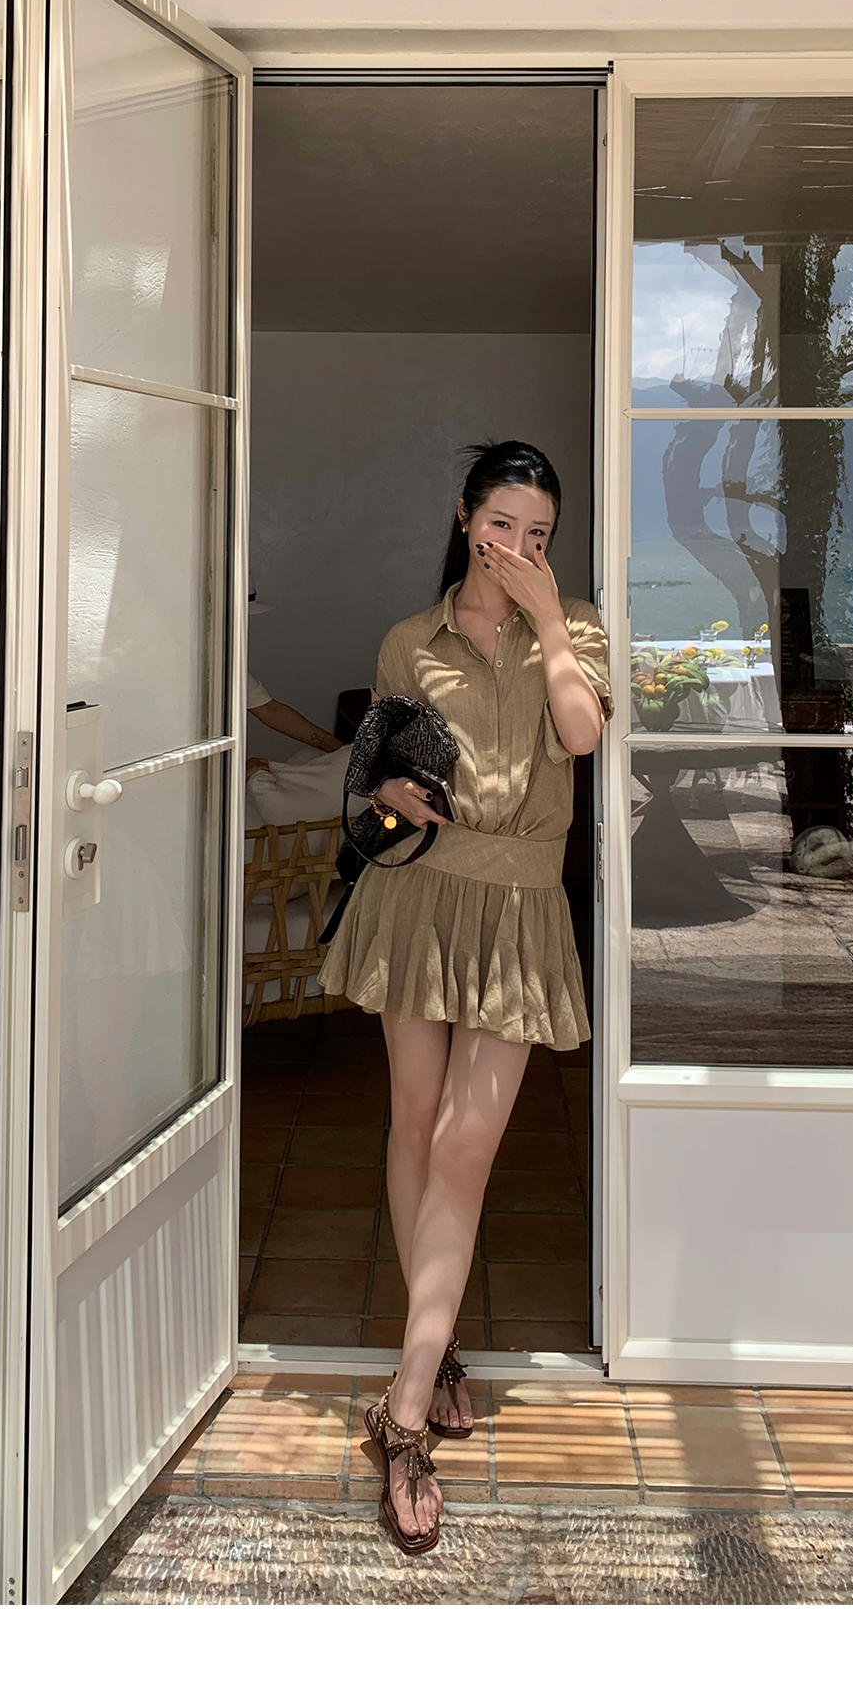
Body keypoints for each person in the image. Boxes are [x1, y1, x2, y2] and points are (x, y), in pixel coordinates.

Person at [319, 439, 610, 1555]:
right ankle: (435, 1353)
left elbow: (581, 735)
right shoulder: (411, 638)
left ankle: (400, 1412)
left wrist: (548, 626)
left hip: (521, 905)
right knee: (415, 1126)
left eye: (539, 534)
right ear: (464, 517)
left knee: (465, 1146)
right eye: (502, 527)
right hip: (420, 897)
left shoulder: (576, 627)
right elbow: (382, 774)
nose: (519, 548)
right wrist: (392, 784)